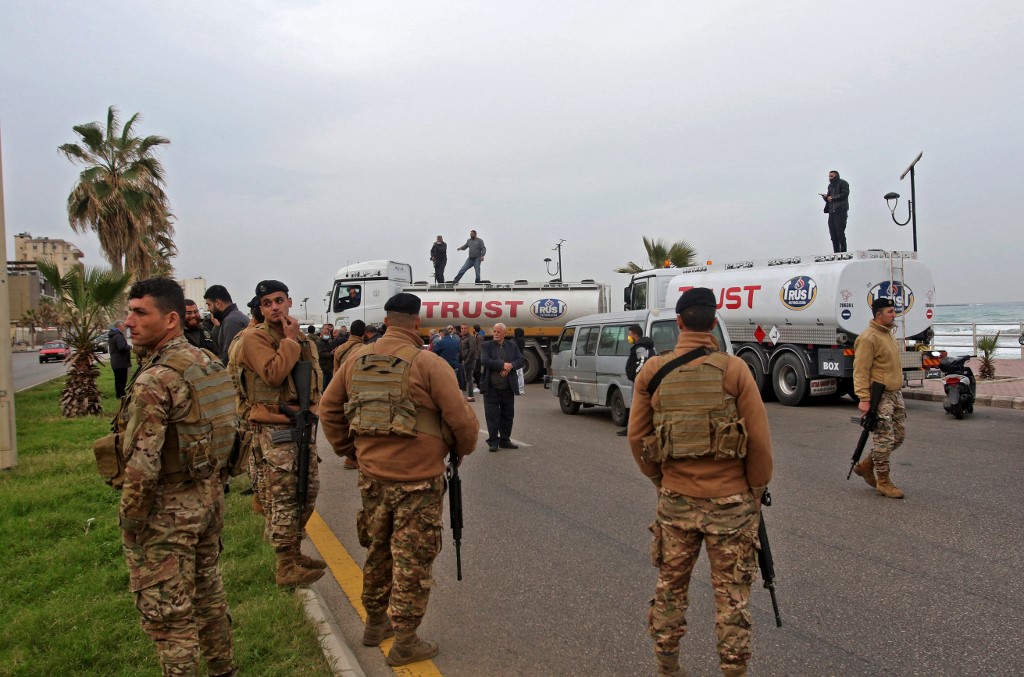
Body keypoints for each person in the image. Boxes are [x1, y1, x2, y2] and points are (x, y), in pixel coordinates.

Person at [319, 292, 479, 667]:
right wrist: (459, 450)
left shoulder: (355, 358)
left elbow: (328, 409)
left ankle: (376, 623)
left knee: (378, 548)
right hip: (419, 482)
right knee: (412, 559)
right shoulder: (428, 363)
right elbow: (462, 422)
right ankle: (405, 640)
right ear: (417, 323)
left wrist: (351, 452)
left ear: (386, 321)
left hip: (373, 477)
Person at [628, 287, 773, 677]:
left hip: (676, 500)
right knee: (732, 598)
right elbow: (758, 441)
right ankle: (733, 671)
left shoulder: (653, 371)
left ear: (678, 323)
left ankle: (667, 666)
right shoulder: (735, 369)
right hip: (731, 503)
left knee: (670, 587)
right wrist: (755, 491)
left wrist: (661, 479)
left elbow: (637, 437)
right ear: (713, 322)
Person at [119, 277, 235, 676]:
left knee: (170, 618)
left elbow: (142, 464)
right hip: (208, 498)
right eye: (129, 311)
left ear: (170, 319)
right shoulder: (206, 361)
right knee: (208, 596)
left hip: (168, 510)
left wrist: (132, 524)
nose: (129, 321)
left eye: (139, 313)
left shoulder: (156, 379)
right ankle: (223, 669)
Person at [234, 280, 326, 586]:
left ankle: (294, 552)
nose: (274, 307)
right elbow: (273, 375)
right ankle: (285, 565)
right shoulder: (255, 339)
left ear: (289, 301)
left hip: (301, 426)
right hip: (274, 427)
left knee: (307, 492)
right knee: (285, 496)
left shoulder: (302, 339)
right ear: (261, 309)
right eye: (267, 303)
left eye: (278, 300)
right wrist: (288, 341)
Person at [851, 297, 906, 498]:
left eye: (894, 311)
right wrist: (864, 398)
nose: (894, 315)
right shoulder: (868, 338)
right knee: (884, 439)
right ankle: (883, 481)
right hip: (879, 397)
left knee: (898, 437)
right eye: (890, 312)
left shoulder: (888, 334)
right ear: (879, 315)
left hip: (894, 394)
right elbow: (860, 370)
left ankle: (866, 465)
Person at [479, 322, 524, 452]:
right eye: (494, 331)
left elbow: (520, 360)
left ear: (505, 333)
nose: (496, 334)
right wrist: (502, 365)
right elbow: (485, 360)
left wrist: (509, 367)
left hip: (507, 389)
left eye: (499, 332)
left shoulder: (512, 345)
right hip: (491, 388)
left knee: (507, 415)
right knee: (492, 416)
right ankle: (493, 441)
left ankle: (505, 440)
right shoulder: (486, 345)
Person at [617, 324, 655, 436]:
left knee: (635, 403)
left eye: (629, 334)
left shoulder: (640, 346)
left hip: (639, 380)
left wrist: (637, 375)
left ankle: (632, 429)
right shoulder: (647, 345)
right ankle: (635, 427)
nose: (628, 337)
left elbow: (643, 360)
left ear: (634, 335)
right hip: (646, 379)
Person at [204, 284, 249, 363]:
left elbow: (229, 357)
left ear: (218, 303)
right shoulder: (234, 317)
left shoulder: (232, 322)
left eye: (209, 305)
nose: (208, 309)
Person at [821, 170, 850, 253]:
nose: (829, 178)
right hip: (831, 212)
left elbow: (845, 194)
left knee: (840, 233)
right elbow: (829, 199)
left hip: (840, 211)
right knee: (833, 234)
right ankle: (836, 253)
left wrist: (833, 198)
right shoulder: (830, 186)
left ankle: (843, 252)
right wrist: (826, 197)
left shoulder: (843, 183)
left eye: (831, 176)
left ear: (836, 176)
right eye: (829, 176)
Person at [434, 325, 464, 390]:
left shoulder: (440, 342)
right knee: (454, 381)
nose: (440, 336)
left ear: (442, 333)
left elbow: (434, 354)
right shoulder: (456, 341)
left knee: (445, 384)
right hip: (455, 365)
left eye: (440, 334)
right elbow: (460, 352)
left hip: (444, 366)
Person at [108, 320, 132, 398]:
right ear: (119, 326)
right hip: (120, 361)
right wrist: (129, 347)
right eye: (123, 326)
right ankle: (121, 394)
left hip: (116, 361)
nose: (124, 328)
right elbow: (122, 347)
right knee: (122, 379)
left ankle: (119, 394)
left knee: (118, 379)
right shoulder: (118, 336)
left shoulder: (113, 335)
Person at [459, 324, 480, 402]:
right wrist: (460, 359)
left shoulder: (470, 338)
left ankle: (471, 396)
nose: (463, 329)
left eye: (465, 328)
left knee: (469, 378)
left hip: (469, 361)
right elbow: (462, 350)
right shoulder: (463, 338)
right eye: (462, 328)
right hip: (465, 361)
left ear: (468, 329)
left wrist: (466, 361)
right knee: (467, 378)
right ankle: (469, 395)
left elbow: (472, 350)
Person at [316, 324, 337, 390]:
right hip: (323, 368)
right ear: (321, 333)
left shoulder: (328, 341)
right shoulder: (319, 342)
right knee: (323, 386)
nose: (327, 334)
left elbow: (331, 349)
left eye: (328, 333)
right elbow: (320, 353)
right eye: (325, 333)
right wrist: (330, 354)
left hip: (330, 368)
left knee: (329, 386)